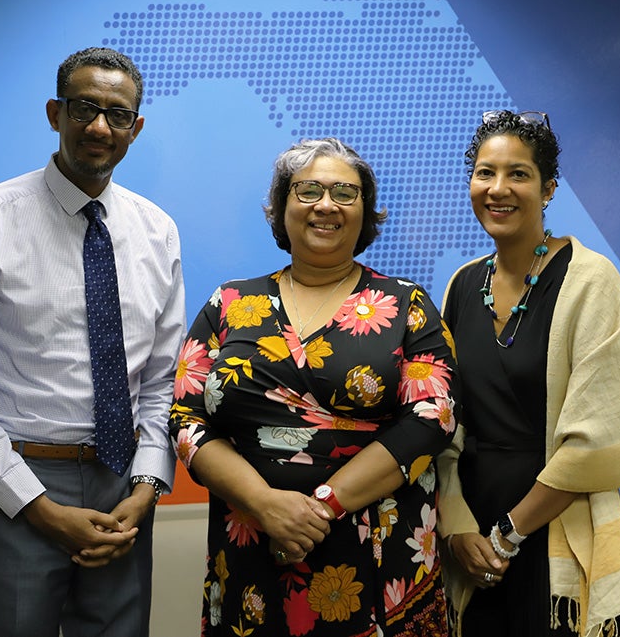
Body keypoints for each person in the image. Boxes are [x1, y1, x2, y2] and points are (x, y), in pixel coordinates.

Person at [0, 46, 186, 637]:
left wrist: (146, 487)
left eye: (117, 114)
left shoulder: (158, 231)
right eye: (84, 108)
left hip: (122, 489)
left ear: (135, 128)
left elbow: (161, 381)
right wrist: (38, 507)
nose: (99, 127)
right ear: (55, 113)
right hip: (15, 489)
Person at [169, 138, 458, 637]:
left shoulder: (406, 304)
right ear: (282, 208)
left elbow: (434, 416)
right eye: (308, 190)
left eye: (345, 193)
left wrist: (320, 508)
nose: (327, 205)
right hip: (252, 549)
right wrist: (266, 505)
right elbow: (186, 418)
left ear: (365, 213)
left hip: (379, 550)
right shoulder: (229, 303)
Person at [436, 110, 620, 637]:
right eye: (485, 173)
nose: (498, 189)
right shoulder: (462, 285)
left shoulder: (590, 281)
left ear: (548, 189)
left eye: (518, 174)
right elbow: (444, 425)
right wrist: (457, 530)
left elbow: (595, 439)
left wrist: (508, 535)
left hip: (552, 532)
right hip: (471, 540)